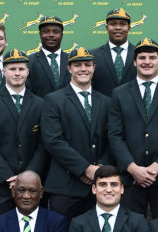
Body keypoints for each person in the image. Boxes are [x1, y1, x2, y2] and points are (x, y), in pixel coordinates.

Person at [107, 38, 158, 217]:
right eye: (142, 57)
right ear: (135, 61)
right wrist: (133, 168)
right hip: (130, 179)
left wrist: (156, 167)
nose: (147, 62)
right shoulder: (119, 93)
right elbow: (114, 135)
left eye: (152, 57)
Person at [42, 46, 111, 219]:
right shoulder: (53, 100)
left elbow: (113, 139)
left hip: (99, 185)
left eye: (87, 65)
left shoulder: (106, 101)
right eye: (77, 65)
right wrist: (85, 169)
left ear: (94, 68)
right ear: (69, 68)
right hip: (65, 186)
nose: (83, 69)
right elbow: (53, 141)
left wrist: (100, 169)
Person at [0, 49, 47, 218]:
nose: (17, 73)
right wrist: (8, 177)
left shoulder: (40, 103)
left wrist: (27, 177)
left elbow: (43, 144)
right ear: (4, 71)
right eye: (12, 69)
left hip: (33, 185)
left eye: (21, 69)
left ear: (28, 72)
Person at [91, 8, 137, 96]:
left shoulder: (140, 55)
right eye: (113, 24)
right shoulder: (93, 56)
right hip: (103, 108)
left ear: (129, 28)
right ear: (107, 28)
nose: (118, 27)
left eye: (123, 24)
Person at [27, 16, 70, 98]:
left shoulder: (71, 61)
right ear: (40, 34)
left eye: (56, 32)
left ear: (62, 35)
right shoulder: (29, 62)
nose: (51, 35)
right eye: (46, 32)